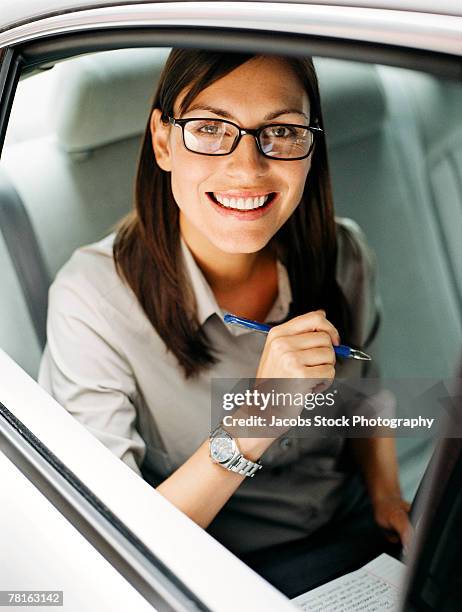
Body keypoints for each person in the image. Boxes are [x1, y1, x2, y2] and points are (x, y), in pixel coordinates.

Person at [38, 49, 411, 597]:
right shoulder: (90, 300)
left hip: (353, 540)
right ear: (163, 142)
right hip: (204, 575)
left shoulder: (345, 256)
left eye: (281, 132)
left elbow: (368, 397)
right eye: (211, 129)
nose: (247, 168)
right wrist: (256, 418)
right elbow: (111, 544)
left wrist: (386, 494)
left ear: (311, 147)